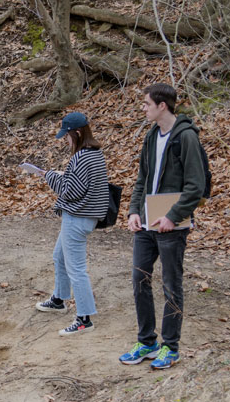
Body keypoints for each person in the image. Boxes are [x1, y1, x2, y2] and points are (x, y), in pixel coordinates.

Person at [120, 84, 206, 369]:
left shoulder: (186, 138)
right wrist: (134, 211)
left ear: (162, 106)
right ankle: (147, 342)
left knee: (171, 285)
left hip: (173, 227)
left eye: (146, 104)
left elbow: (196, 186)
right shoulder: (150, 136)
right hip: (146, 225)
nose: (143, 108)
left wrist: (172, 216)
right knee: (139, 281)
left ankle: (171, 347)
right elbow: (142, 179)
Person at [33, 112, 110, 336]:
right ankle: (59, 298)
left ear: (77, 133)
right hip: (86, 217)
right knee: (59, 256)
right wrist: (63, 175)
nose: (65, 140)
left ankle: (84, 318)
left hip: (77, 217)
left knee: (76, 269)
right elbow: (80, 183)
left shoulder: (81, 157)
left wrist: (49, 176)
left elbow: (71, 191)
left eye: (66, 136)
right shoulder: (95, 154)